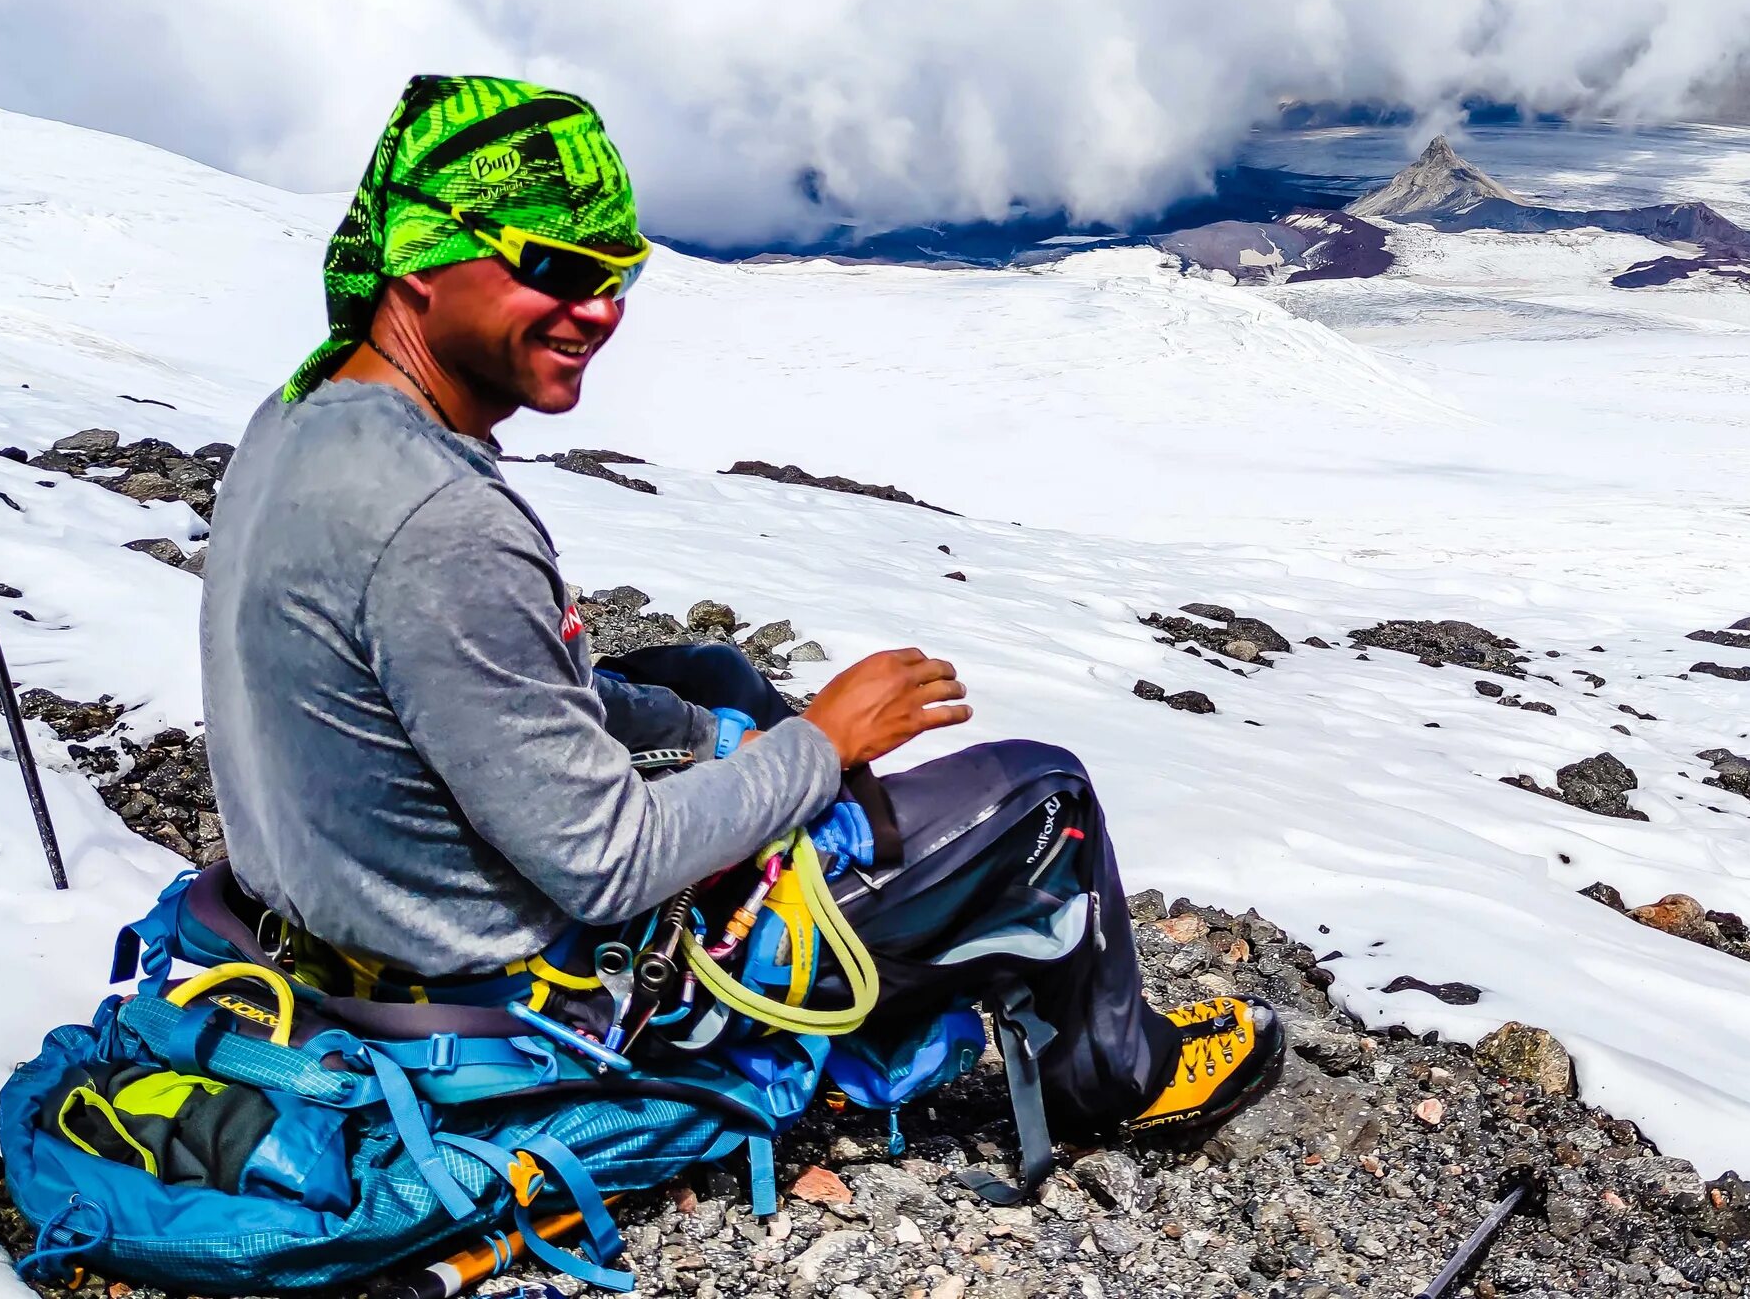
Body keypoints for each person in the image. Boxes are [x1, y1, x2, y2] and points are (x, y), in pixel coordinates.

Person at [198, 73, 1277, 1150]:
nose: (601, 309)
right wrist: (817, 743)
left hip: (354, 912)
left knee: (708, 676)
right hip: (516, 986)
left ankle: (867, 879)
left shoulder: (303, 419)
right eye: (560, 269)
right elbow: (609, 863)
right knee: (1043, 795)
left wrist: (728, 737)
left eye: (619, 272)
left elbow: (490, 687)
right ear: (424, 260)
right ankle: (1122, 1075)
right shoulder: (441, 522)